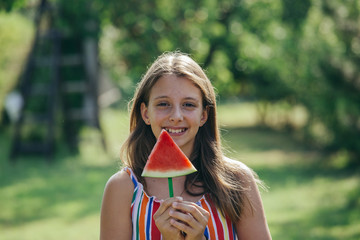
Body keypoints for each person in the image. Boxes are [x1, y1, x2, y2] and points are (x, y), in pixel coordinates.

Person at [100, 51, 272, 240]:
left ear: (204, 115)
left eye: (189, 105)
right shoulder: (123, 189)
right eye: (163, 104)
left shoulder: (237, 182)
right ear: (145, 113)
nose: (176, 116)